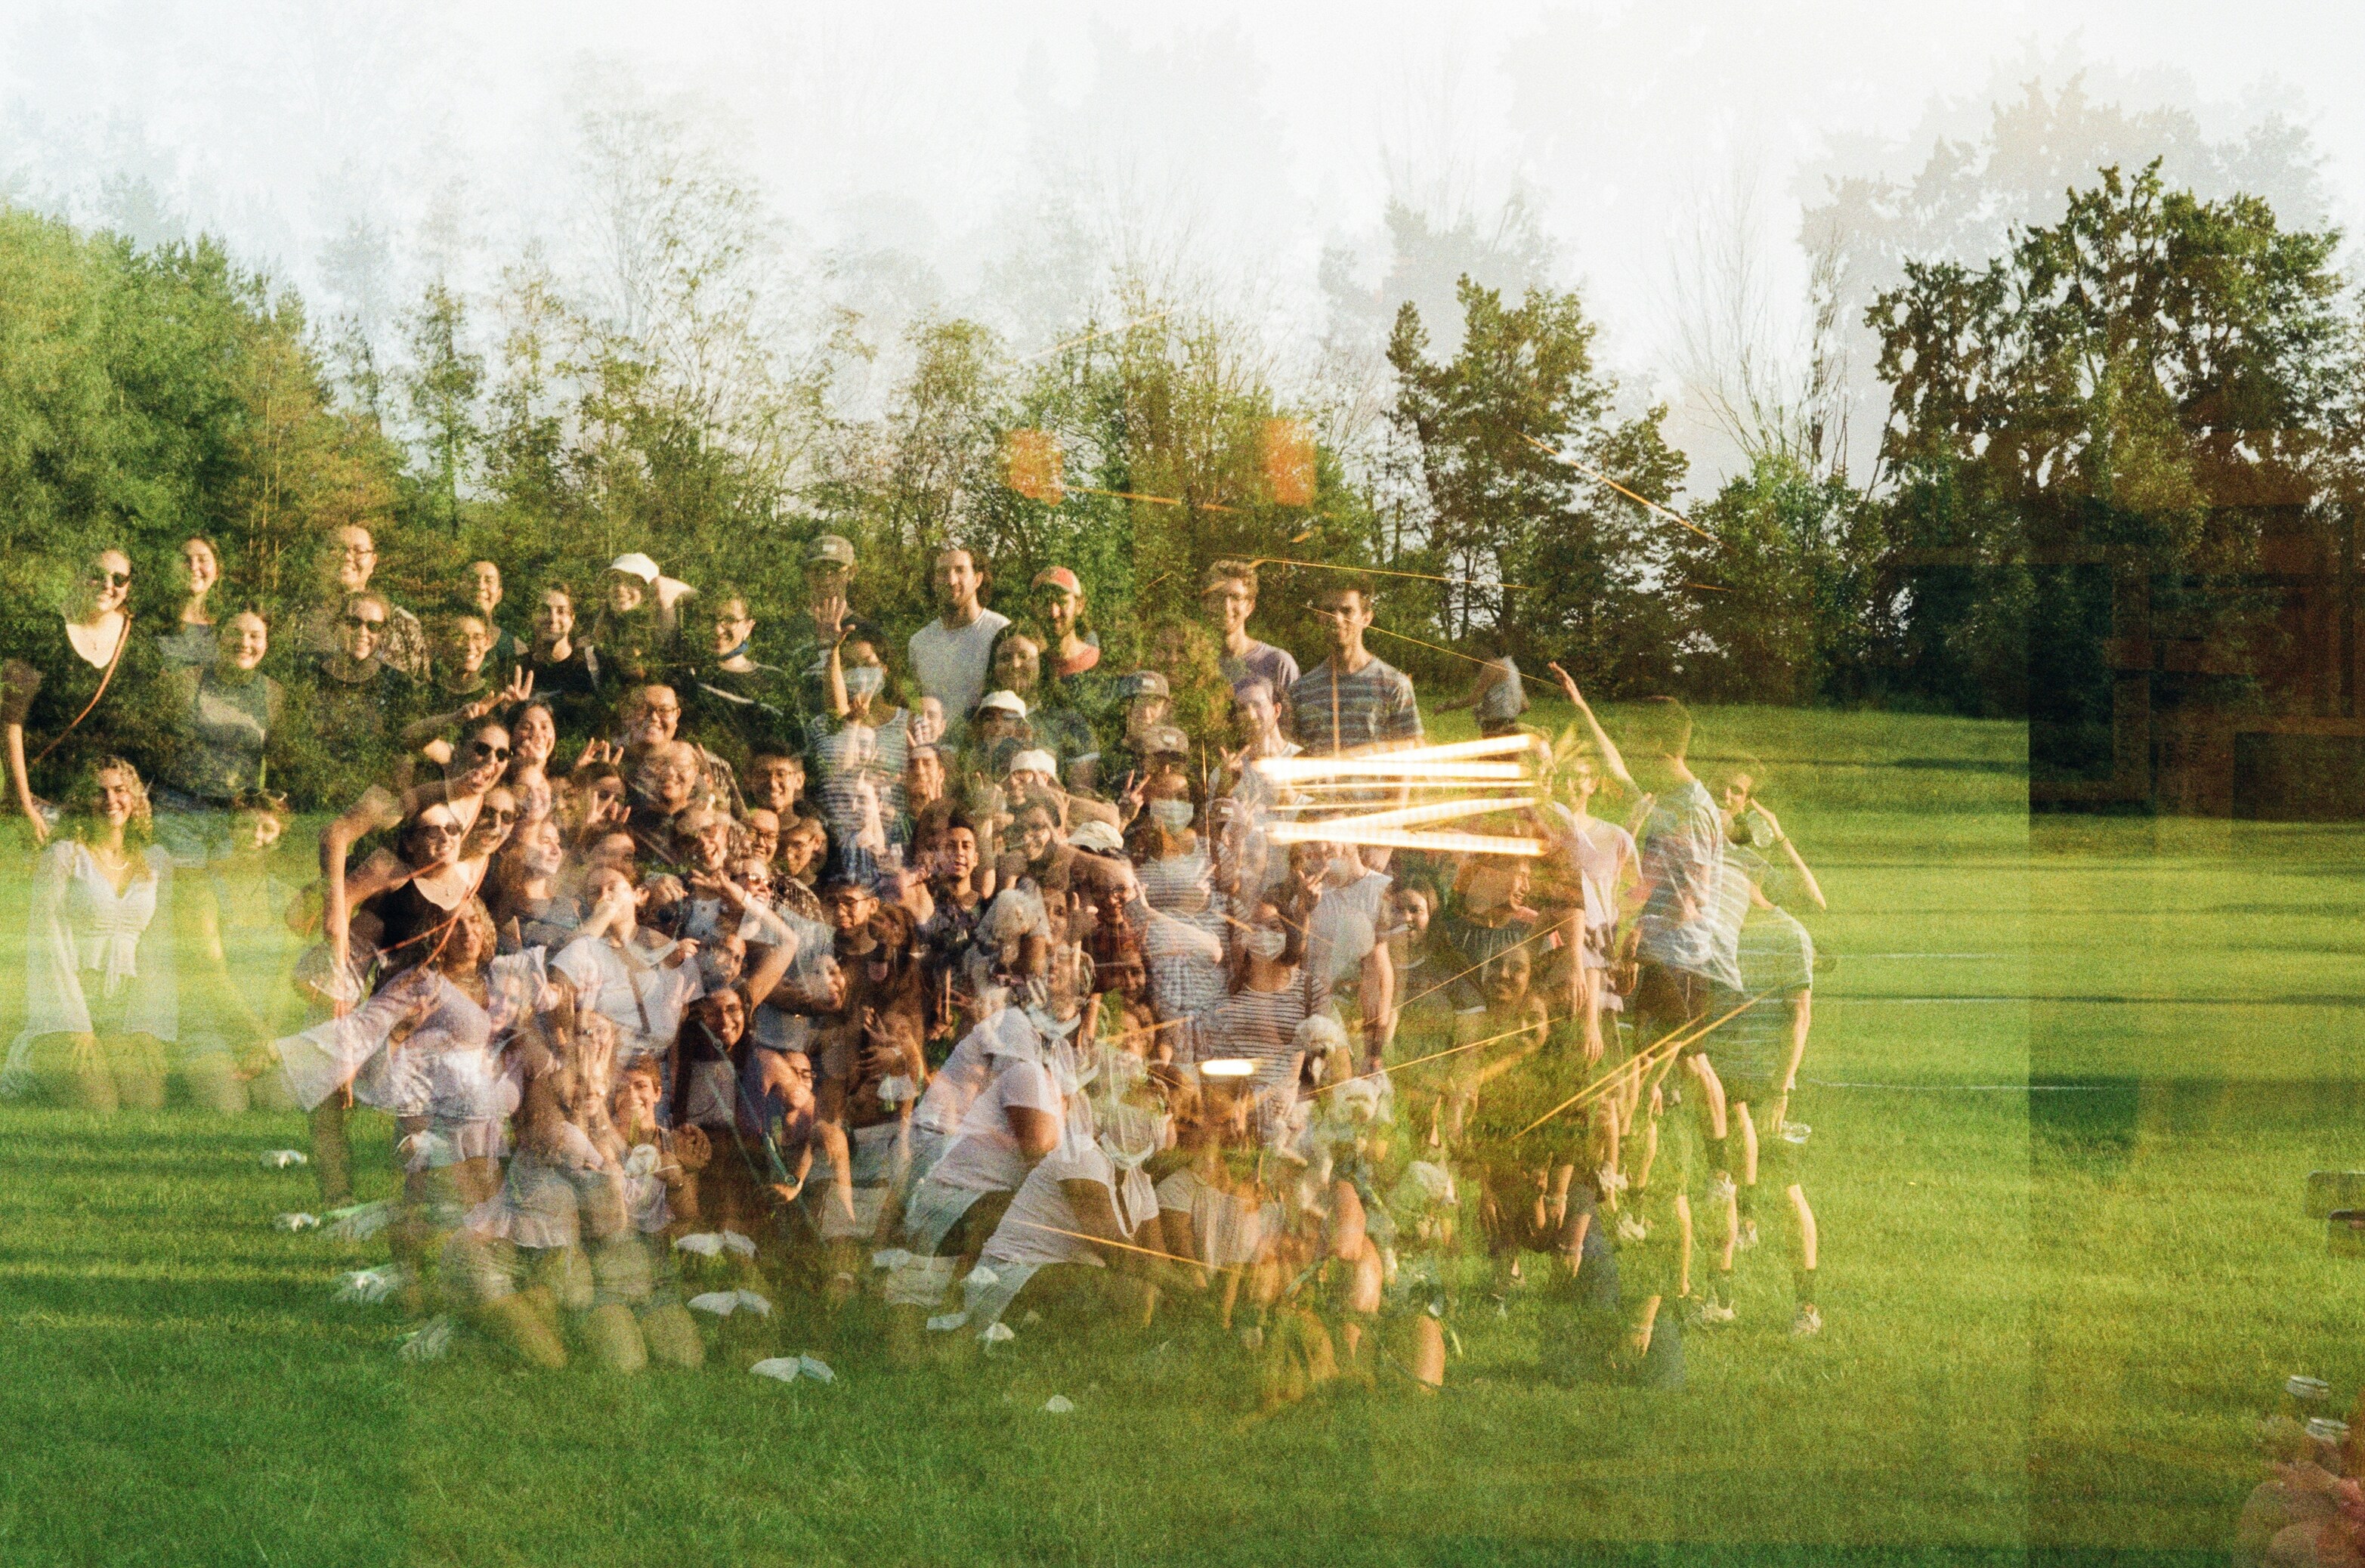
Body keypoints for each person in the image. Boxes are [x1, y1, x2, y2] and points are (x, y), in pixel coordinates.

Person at [2, 757, 178, 1111]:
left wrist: (149, 1028)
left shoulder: (157, 862)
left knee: (146, 1104)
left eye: (119, 790)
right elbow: (46, 943)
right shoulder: (65, 856)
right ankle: (28, 1074)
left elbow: (160, 951)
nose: (110, 800)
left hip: (125, 1016)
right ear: (84, 801)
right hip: (66, 1013)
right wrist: (76, 1023)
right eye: (100, 792)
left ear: (136, 798)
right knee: (103, 1108)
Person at [4, 547, 169, 847]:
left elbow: (149, 731)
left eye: (119, 578)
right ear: (78, 575)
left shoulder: (140, 644)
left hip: (110, 812)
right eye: (97, 575)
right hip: (44, 804)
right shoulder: (43, 633)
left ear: (129, 585)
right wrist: (23, 803)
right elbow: (10, 721)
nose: (109, 585)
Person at [156, 606, 284, 866]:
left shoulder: (274, 694)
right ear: (218, 637)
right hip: (179, 812)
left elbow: (280, 766)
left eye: (255, 636)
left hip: (237, 823)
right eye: (235, 633)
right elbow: (154, 748)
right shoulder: (185, 681)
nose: (244, 643)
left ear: (267, 643)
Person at [1289, 580, 1422, 766]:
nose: (1336, 619)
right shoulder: (1301, 691)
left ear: (1366, 618)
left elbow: (1406, 761)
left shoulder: (1394, 685)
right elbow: (1291, 757)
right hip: (1318, 796)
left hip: (1373, 796)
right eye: (1328, 610)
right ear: (1319, 617)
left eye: (1347, 610)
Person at [683, 585, 796, 769]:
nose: (717, 630)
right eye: (709, 618)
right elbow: (662, 589)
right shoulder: (688, 675)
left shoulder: (776, 680)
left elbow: (796, 754)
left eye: (729, 620)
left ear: (748, 626)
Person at [298, 525, 428, 679]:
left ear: (373, 561)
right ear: (321, 557)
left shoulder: (403, 625)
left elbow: (420, 693)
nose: (347, 557)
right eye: (336, 549)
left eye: (359, 551)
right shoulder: (295, 618)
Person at [907, 545, 1008, 738]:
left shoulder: (1000, 631)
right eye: (943, 573)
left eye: (960, 570)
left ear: (978, 579)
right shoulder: (919, 643)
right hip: (934, 755)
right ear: (934, 582)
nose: (951, 581)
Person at [1201, 560, 1300, 707]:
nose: (1226, 606)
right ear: (1206, 604)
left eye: (1236, 597)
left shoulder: (1278, 663)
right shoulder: (1198, 664)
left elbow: (1292, 726)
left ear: (1250, 606)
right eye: (1218, 596)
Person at [521, 583, 604, 747]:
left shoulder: (593, 665)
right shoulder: (516, 667)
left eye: (561, 611)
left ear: (572, 619)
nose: (552, 619)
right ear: (532, 616)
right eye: (544, 610)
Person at [587, 554, 679, 690]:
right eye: (616, 580)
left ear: (649, 592)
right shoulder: (601, 635)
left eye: (631, 582)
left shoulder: (665, 636)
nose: (620, 588)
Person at [1435, 632, 1528, 737]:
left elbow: (1473, 699)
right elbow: (1525, 705)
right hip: (1512, 727)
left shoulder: (1491, 667)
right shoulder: (1512, 667)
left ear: (1488, 648)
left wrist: (1446, 706)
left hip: (1495, 728)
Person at [156, 536, 224, 669]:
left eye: (202, 560)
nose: (193, 567)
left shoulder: (227, 627)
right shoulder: (155, 622)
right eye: (185, 559)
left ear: (217, 572)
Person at [462, 560, 524, 674]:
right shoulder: (438, 644)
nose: (480, 586)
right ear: (461, 589)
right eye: (473, 579)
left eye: (489, 581)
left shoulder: (515, 649)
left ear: (499, 594)